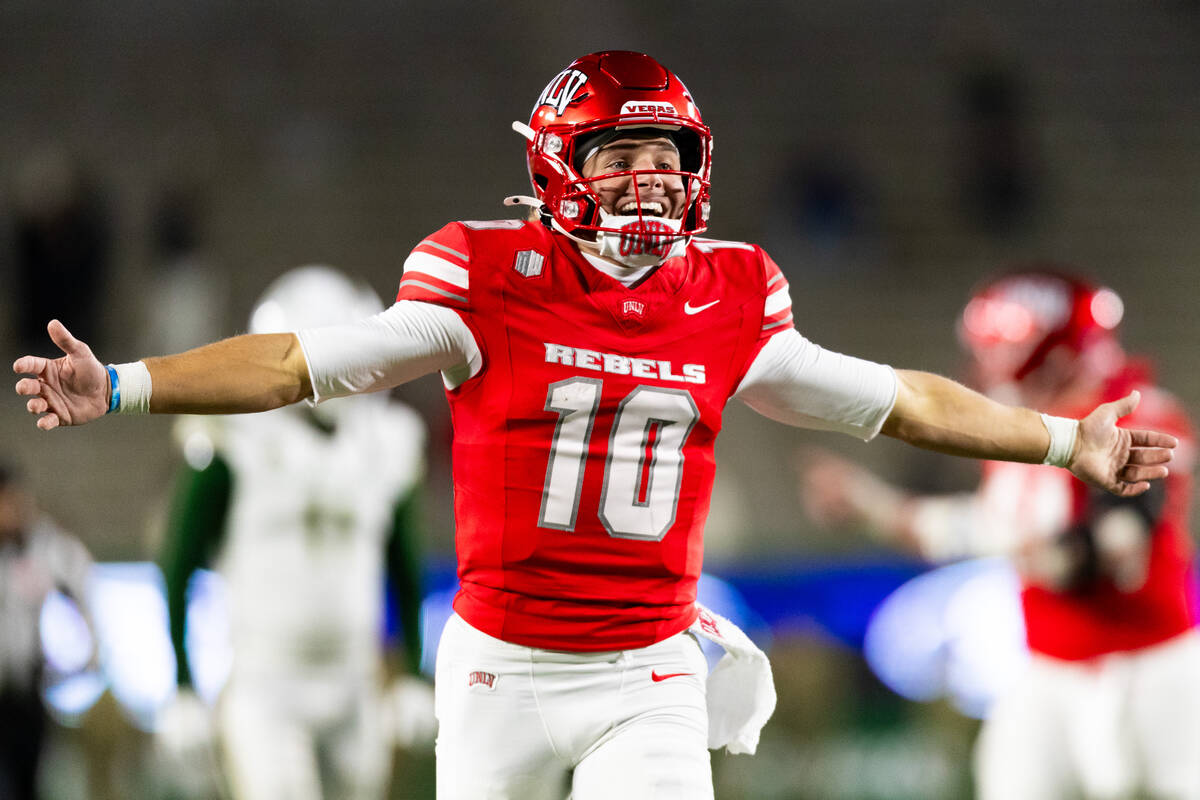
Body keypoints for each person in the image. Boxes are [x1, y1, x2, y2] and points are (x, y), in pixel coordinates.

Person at [13, 52, 1177, 800]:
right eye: (619, 155)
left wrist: (1066, 440)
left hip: (648, 666)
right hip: (498, 668)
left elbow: (899, 399)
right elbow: (293, 364)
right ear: (558, 167)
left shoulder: (730, 293)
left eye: (667, 156)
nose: (648, 180)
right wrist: (124, 383)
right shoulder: (483, 277)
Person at [799, 269, 1199, 800]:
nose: (988, 362)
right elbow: (990, 527)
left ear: (1055, 351)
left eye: (1002, 346)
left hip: (1150, 666)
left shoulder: (1139, 414)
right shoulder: (1033, 427)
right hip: (1048, 667)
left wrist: (998, 540)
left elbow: (1101, 553)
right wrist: (871, 508)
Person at [155, 265, 431, 800]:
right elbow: (177, 561)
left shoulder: (386, 442)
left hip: (356, 681)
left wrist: (414, 671)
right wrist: (182, 683)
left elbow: (405, 565)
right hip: (266, 684)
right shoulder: (232, 436)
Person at [0, 463, 95, 800]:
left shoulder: (45, 547)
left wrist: (85, 655)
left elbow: (82, 585)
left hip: (26, 691)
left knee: (26, 782)